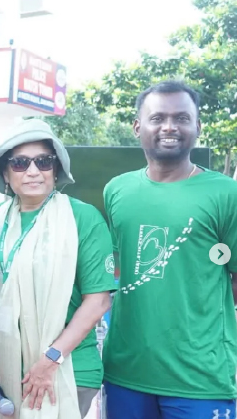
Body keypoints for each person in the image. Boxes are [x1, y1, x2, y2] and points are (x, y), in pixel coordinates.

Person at [0, 119, 116, 419]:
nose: (33, 171)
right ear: (5, 173)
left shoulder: (82, 219)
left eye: (43, 161)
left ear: (56, 169)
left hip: (65, 370)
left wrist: (50, 360)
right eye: (20, 163)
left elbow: (98, 301)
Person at [101, 80, 237, 419]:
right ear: (138, 127)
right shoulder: (117, 190)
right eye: (158, 118)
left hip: (200, 378)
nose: (169, 127)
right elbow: (116, 269)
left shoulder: (226, 194)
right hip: (126, 372)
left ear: (197, 127)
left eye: (181, 118)